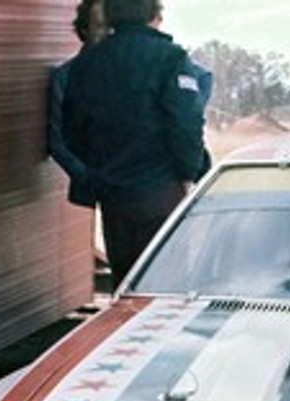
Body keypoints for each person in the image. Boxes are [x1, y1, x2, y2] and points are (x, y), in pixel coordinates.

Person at [63, 0, 207, 285]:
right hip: (160, 192)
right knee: (165, 285)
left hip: (113, 196)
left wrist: (99, 172)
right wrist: (189, 172)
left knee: (125, 283)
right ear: (152, 15)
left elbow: (72, 129)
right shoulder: (170, 58)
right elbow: (185, 124)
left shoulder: (86, 63)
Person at [46, 0, 109, 207]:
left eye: (111, 25)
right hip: (94, 184)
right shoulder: (64, 77)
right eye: (100, 26)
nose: (108, 33)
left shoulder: (134, 73)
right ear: (84, 30)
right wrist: (91, 179)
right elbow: (56, 141)